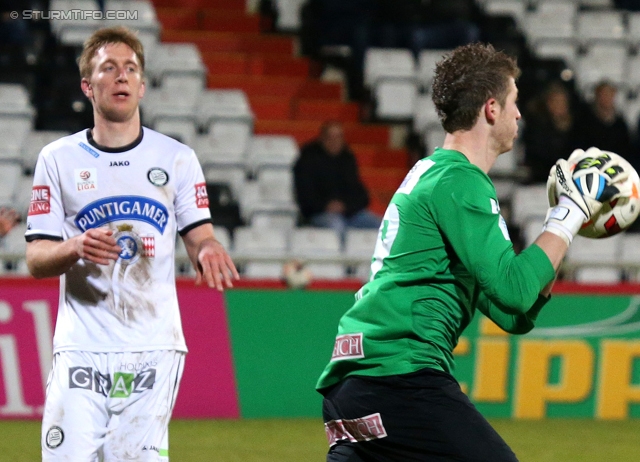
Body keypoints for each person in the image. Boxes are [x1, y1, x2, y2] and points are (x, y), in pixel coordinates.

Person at [316, 43, 626, 461]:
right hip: (399, 376)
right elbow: (515, 291)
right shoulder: (460, 182)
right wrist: (568, 216)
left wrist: (565, 229)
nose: (520, 115)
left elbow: (512, 314)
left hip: (360, 380)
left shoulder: (436, 173)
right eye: (514, 103)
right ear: (492, 108)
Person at [25, 27, 239, 461]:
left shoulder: (176, 158)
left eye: (131, 69)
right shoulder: (57, 159)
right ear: (88, 86)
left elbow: (200, 235)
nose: (121, 77)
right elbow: (36, 258)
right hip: (82, 345)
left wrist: (209, 248)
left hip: (153, 346)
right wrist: (75, 247)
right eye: (109, 68)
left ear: (142, 85)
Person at [293, 120, 381, 239]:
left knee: (381, 225)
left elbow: (361, 194)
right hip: (319, 213)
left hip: (348, 212)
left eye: (338, 137)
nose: (335, 141)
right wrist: (326, 206)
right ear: (322, 138)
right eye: (330, 137)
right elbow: (304, 195)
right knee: (337, 225)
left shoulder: (347, 159)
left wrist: (345, 206)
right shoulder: (307, 160)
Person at [522, 81, 581, 183]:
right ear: (548, 103)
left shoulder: (577, 127)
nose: (560, 106)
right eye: (555, 101)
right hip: (542, 180)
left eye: (562, 102)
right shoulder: (537, 127)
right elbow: (537, 156)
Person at [574, 80, 632, 159]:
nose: (606, 98)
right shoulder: (585, 121)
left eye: (609, 94)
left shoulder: (620, 124)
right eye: (603, 94)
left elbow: (626, 150)